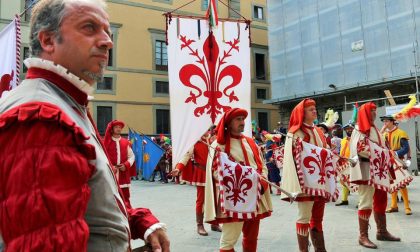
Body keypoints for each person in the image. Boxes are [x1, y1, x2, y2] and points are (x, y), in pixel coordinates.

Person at [0, 1, 170, 251]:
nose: (107, 42)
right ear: (48, 41)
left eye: (107, 32)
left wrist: (137, 221)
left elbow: (86, 196)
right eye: (89, 28)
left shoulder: (64, 102)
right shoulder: (41, 118)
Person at [204, 108, 272, 252]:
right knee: (228, 242)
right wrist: (242, 174)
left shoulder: (251, 142)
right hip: (234, 199)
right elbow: (216, 172)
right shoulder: (218, 145)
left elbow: (262, 165)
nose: (242, 122)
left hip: (255, 196)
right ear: (229, 122)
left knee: (251, 238)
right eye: (238, 119)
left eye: (243, 119)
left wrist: (263, 180)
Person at [349, 102, 400, 249]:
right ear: (365, 113)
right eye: (372, 111)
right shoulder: (359, 129)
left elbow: (381, 147)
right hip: (366, 170)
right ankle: (363, 236)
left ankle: (381, 231)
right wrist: (382, 152)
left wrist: (387, 152)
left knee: (381, 200)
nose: (374, 113)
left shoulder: (375, 129)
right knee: (365, 201)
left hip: (379, 171)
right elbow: (359, 148)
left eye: (375, 111)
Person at [282, 99, 330, 252]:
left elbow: (325, 151)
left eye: (315, 108)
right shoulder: (294, 133)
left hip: (320, 181)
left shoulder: (318, 131)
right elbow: (292, 159)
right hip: (305, 183)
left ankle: (320, 249)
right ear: (302, 113)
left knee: (318, 217)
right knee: (304, 217)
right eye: (310, 109)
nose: (314, 111)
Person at [171, 131, 222, 236]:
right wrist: (178, 168)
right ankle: (200, 225)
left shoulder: (215, 140)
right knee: (201, 200)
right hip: (202, 173)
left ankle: (214, 223)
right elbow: (186, 156)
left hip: (214, 173)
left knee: (216, 199)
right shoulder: (195, 142)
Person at [380, 115, 412, 215]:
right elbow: (378, 144)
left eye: (386, 121)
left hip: (398, 160)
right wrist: (381, 132)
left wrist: (396, 153)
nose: (384, 123)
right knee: (392, 183)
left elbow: (406, 148)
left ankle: (407, 207)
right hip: (389, 161)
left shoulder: (401, 133)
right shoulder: (384, 134)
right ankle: (394, 205)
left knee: (402, 183)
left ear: (392, 122)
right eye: (384, 121)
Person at [104, 120, 135, 205]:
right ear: (112, 129)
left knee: (125, 198)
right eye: (116, 127)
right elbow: (103, 157)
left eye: (120, 127)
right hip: (111, 173)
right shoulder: (107, 142)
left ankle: (125, 213)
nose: (118, 129)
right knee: (110, 196)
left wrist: (126, 165)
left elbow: (132, 156)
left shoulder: (125, 142)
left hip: (123, 173)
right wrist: (110, 167)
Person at [335, 123, 354, 206]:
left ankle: (361, 201)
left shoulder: (356, 139)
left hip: (354, 162)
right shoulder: (343, 140)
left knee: (356, 182)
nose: (349, 130)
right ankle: (344, 200)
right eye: (347, 129)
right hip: (344, 162)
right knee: (344, 180)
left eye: (350, 128)